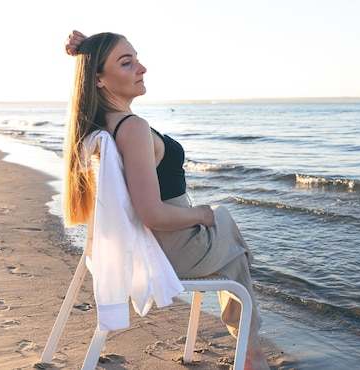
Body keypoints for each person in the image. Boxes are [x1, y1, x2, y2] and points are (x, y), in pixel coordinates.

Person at [62, 31, 270, 370]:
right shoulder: (132, 128)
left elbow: (144, 209)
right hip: (168, 253)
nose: (141, 68)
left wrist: (89, 50)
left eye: (136, 58)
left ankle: (249, 346)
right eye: (127, 63)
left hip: (154, 247)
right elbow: (153, 214)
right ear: (99, 80)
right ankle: (251, 349)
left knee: (231, 250)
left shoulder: (104, 124)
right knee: (224, 220)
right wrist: (201, 214)